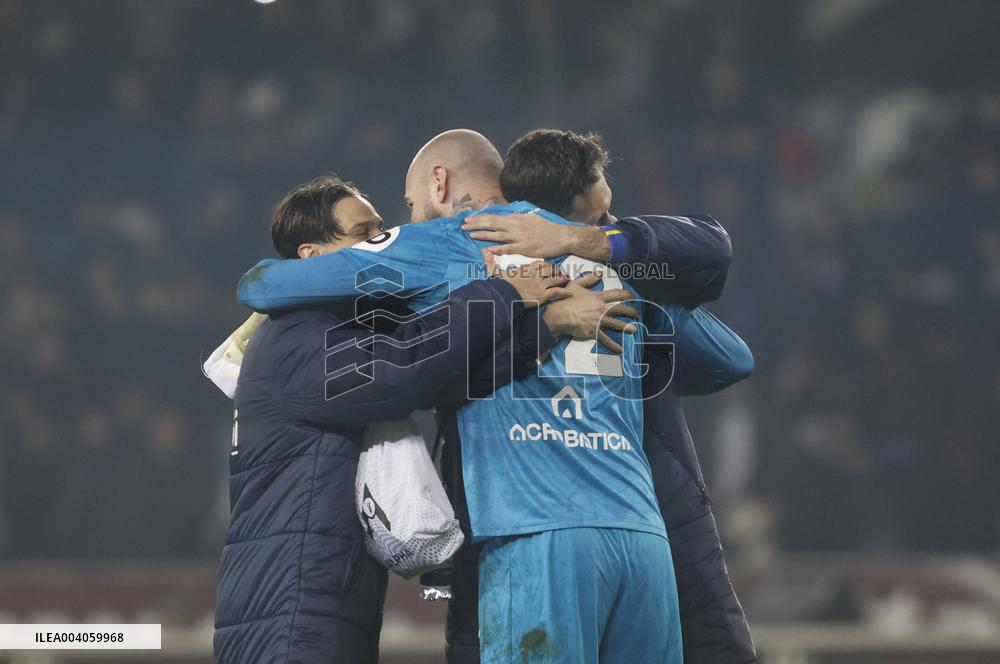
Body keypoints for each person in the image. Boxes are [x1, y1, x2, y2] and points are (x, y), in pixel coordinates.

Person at [237, 130, 752, 662]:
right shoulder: (599, 246)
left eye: (410, 205)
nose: (407, 220)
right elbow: (731, 359)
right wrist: (608, 254)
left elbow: (261, 284)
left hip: (531, 535)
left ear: (439, 182)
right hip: (642, 539)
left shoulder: (441, 241)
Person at [212, 175, 623, 664]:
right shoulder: (294, 335)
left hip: (312, 602)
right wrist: (503, 292)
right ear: (313, 257)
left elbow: (439, 375)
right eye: (365, 234)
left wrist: (549, 325)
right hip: (289, 614)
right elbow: (398, 370)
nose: (386, 247)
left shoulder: (334, 332)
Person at [459, 128, 757, 663]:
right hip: (642, 523)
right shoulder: (631, 285)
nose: (612, 230)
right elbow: (733, 356)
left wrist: (596, 244)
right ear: (551, 219)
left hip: (534, 531)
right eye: (598, 221)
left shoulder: (471, 268)